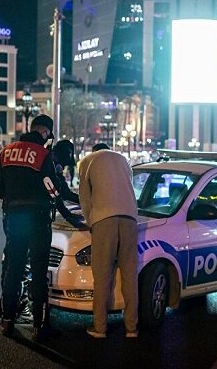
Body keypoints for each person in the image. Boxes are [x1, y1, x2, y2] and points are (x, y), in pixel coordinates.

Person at [0, 114, 62, 342]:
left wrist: (9, 198)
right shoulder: (43, 154)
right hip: (38, 218)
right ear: (44, 132)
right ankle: (39, 326)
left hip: (14, 216)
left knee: (14, 266)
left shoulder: (7, 151)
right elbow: (52, 188)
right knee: (39, 270)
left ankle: (8, 320)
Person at [78, 143, 139, 338]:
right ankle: (131, 328)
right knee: (130, 276)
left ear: (94, 150)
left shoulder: (88, 161)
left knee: (102, 276)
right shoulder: (123, 160)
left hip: (104, 220)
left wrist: (91, 221)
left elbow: (85, 198)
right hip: (130, 219)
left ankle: (100, 327)